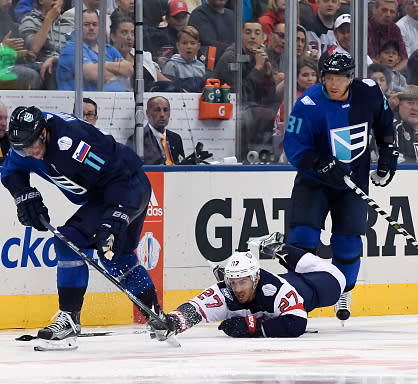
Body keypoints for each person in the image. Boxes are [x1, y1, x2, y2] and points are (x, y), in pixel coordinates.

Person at [0, 105, 169, 343]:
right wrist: (24, 195)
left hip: (128, 188)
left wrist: (116, 216)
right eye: (22, 149)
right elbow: (11, 172)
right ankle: (155, 315)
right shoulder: (23, 145)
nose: (29, 153)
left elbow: (121, 174)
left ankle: (75, 316)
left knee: (89, 246)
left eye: (33, 146)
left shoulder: (73, 144)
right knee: (108, 254)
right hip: (102, 193)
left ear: (44, 133)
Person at [283, 53, 397, 323]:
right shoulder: (308, 103)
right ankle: (300, 295)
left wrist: (388, 151)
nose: (334, 84)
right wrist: (321, 163)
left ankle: (344, 289)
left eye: (340, 78)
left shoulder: (369, 92)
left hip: (352, 183)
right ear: (323, 77)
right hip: (314, 182)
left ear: (351, 77)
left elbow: (384, 121)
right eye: (329, 78)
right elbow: (294, 148)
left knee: (347, 244)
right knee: (303, 239)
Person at [157, 233, 346, 338]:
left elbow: (296, 324)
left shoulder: (278, 289)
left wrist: (251, 327)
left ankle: (279, 248)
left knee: (337, 280)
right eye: (233, 282)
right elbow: (196, 308)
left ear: (256, 278)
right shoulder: (226, 292)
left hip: (314, 286)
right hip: (282, 285)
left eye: (243, 282)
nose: (237, 289)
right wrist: (173, 322)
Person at [213, 21, 278, 158]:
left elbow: (269, 97)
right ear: (240, 36)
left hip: (252, 108)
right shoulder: (230, 58)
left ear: (263, 39)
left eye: (257, 33)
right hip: (229, 109)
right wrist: (256, 70)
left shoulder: (260, 57)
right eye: (248, 32)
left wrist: (267, 77)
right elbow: (238, 96)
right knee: (259, 114)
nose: (252, 37)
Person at [56, 9, 133, 91]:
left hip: (117, 100)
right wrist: (116, 72)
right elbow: (91, 74)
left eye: (95, 24)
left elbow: (129, 69)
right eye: (86, 24)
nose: (91, 28)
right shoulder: (71, 48)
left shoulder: (109, 49)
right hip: (83, 102)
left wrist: (100, 65)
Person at [19, 0, 74, 88]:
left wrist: (56, 59)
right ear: (41, 1)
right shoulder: (30, 20)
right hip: (40, 66)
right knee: (55, 69)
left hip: (62, 64)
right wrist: (48, 19)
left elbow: (75, 52)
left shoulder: (67, 24)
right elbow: (34, 48)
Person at [109, 14, 170, 92]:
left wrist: (182, 92)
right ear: (113, 36)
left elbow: (162, 80)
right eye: (124, 33)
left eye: (132, 33)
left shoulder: (142, 55)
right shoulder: (106, 58)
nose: (129, 37)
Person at [126, 96, 185, 165]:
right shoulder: (136, 140)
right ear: (147, 113)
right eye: (157, 110)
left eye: (165, 110)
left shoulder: (176, 138)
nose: (162, 115)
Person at [162, 26, 206, 93]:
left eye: (192, 43)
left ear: (198, 46)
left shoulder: (201, 66)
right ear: (178, 46)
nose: (189, 46)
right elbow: (166, 89)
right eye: (184, 43)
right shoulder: (172, 65)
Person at [368, 0, 408, 73]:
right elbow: (369, 60)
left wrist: (392, 73)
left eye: (392, 12)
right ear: (374, 10)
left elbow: (405, 60)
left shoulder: (395, 29)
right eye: (384, 10)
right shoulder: (366, 27)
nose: (388, 15)